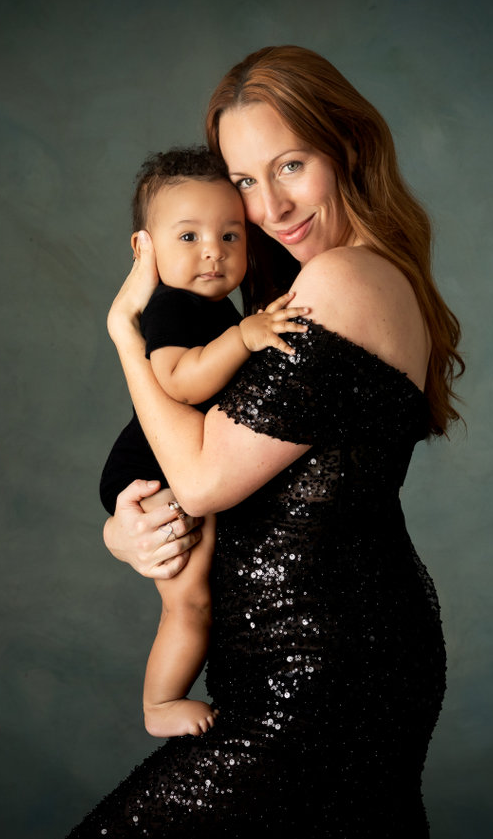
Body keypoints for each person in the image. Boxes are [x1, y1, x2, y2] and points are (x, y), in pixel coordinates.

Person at [68, 44, 463, 838]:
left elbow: (207, 477)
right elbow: (201, 464)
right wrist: (127, 529)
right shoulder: (303, 288)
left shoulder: (343, 281)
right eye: (246, 181)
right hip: (318, 660)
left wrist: (122, 334)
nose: (271, 207)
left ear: (346, 146)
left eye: (290, 165)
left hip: (321, 672)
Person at [99, 146, 309, 738]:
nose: (213, 250)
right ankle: (158, 705)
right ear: (145, 250)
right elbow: (176, 380)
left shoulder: (216, 310)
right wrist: (244, 338)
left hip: (172, 464)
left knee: (203, 599)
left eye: (230, 235)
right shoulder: (172, 309)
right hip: (152, 471)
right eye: (188, 237)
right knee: (187, 602)